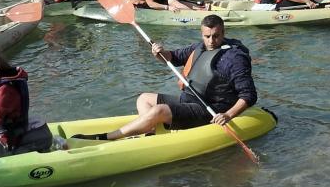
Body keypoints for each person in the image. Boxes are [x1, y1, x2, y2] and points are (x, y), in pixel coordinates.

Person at [90, 15, 256, 140]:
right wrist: (159, 53)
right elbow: (173, 57)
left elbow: (248, 95)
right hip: (189, 100)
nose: (211, 41)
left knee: (159, 110)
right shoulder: (199, 47)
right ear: (202, 33)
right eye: (207, 36)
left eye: (216, 36)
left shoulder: (235, 58)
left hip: (210, 110)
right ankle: (150, 133)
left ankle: (109, 136)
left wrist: (228, 115)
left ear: (223, 32)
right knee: (144, 99)